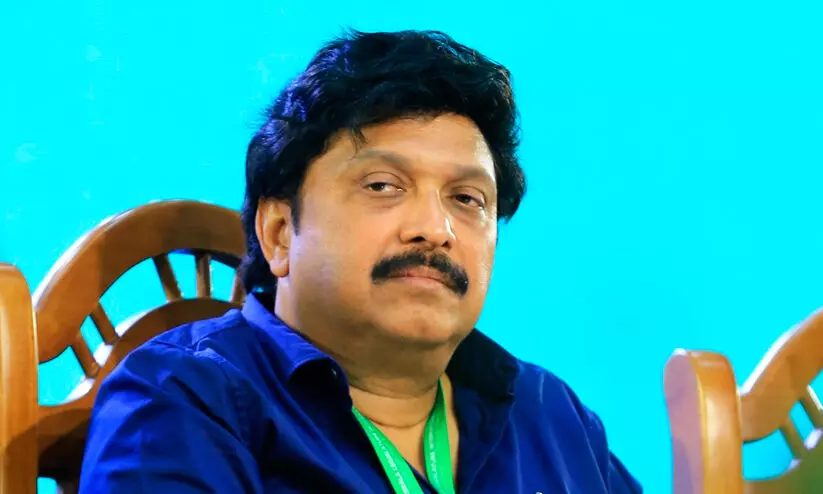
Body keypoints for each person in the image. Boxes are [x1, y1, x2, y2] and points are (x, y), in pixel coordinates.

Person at [79, 29, 642, 493]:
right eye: (382, 185)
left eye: (467, 199)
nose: (435, 229)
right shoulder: (184, 399)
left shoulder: (551, 413)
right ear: (279, 233)